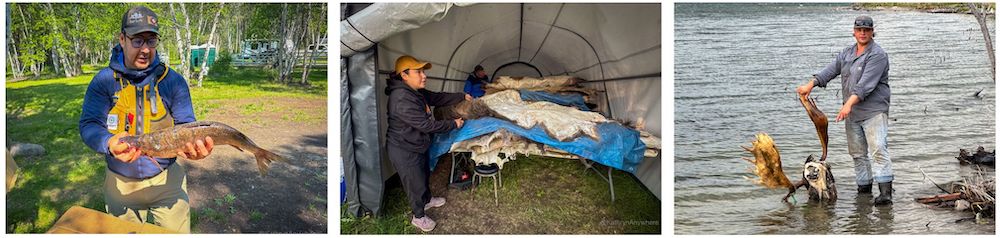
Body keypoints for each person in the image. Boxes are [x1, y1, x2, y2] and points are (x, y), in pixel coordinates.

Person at [78, 6, 214, 233]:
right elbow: (89, 124)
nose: (145, 50)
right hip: (120, 184)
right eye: (137, 40)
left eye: (151, 41)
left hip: (167, 180)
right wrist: (108, 143)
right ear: (122, 39)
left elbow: (186, 126)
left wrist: (194, 148)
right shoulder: (103, 81)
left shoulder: (172, 81)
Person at [797, 15, 893, 205]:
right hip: (853, 114)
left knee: (878, 150)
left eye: (866, 30)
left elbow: (865, 85)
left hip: (873, 111)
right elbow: (831, 70)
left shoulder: (878, 55)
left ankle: (885, 194)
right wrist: (811, 84)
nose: (863, 33)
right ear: (854, 31)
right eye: (859, 29)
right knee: (857, 154)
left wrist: (847, 105)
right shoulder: (847, 53)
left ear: (873, 31)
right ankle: (864, 188)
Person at [385, 55, 471, 232]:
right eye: (419, 72)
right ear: (404, 75)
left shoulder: (414, 91)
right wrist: (453, 124)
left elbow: (437, 98)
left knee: (423, 174)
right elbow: (426, 125)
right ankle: (418, 216)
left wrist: (461, 96)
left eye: (423, 71)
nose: (424, 75)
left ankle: (427, 200)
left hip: (416, 144)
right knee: (414, 183)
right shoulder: (401, 97)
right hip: (404, 149)